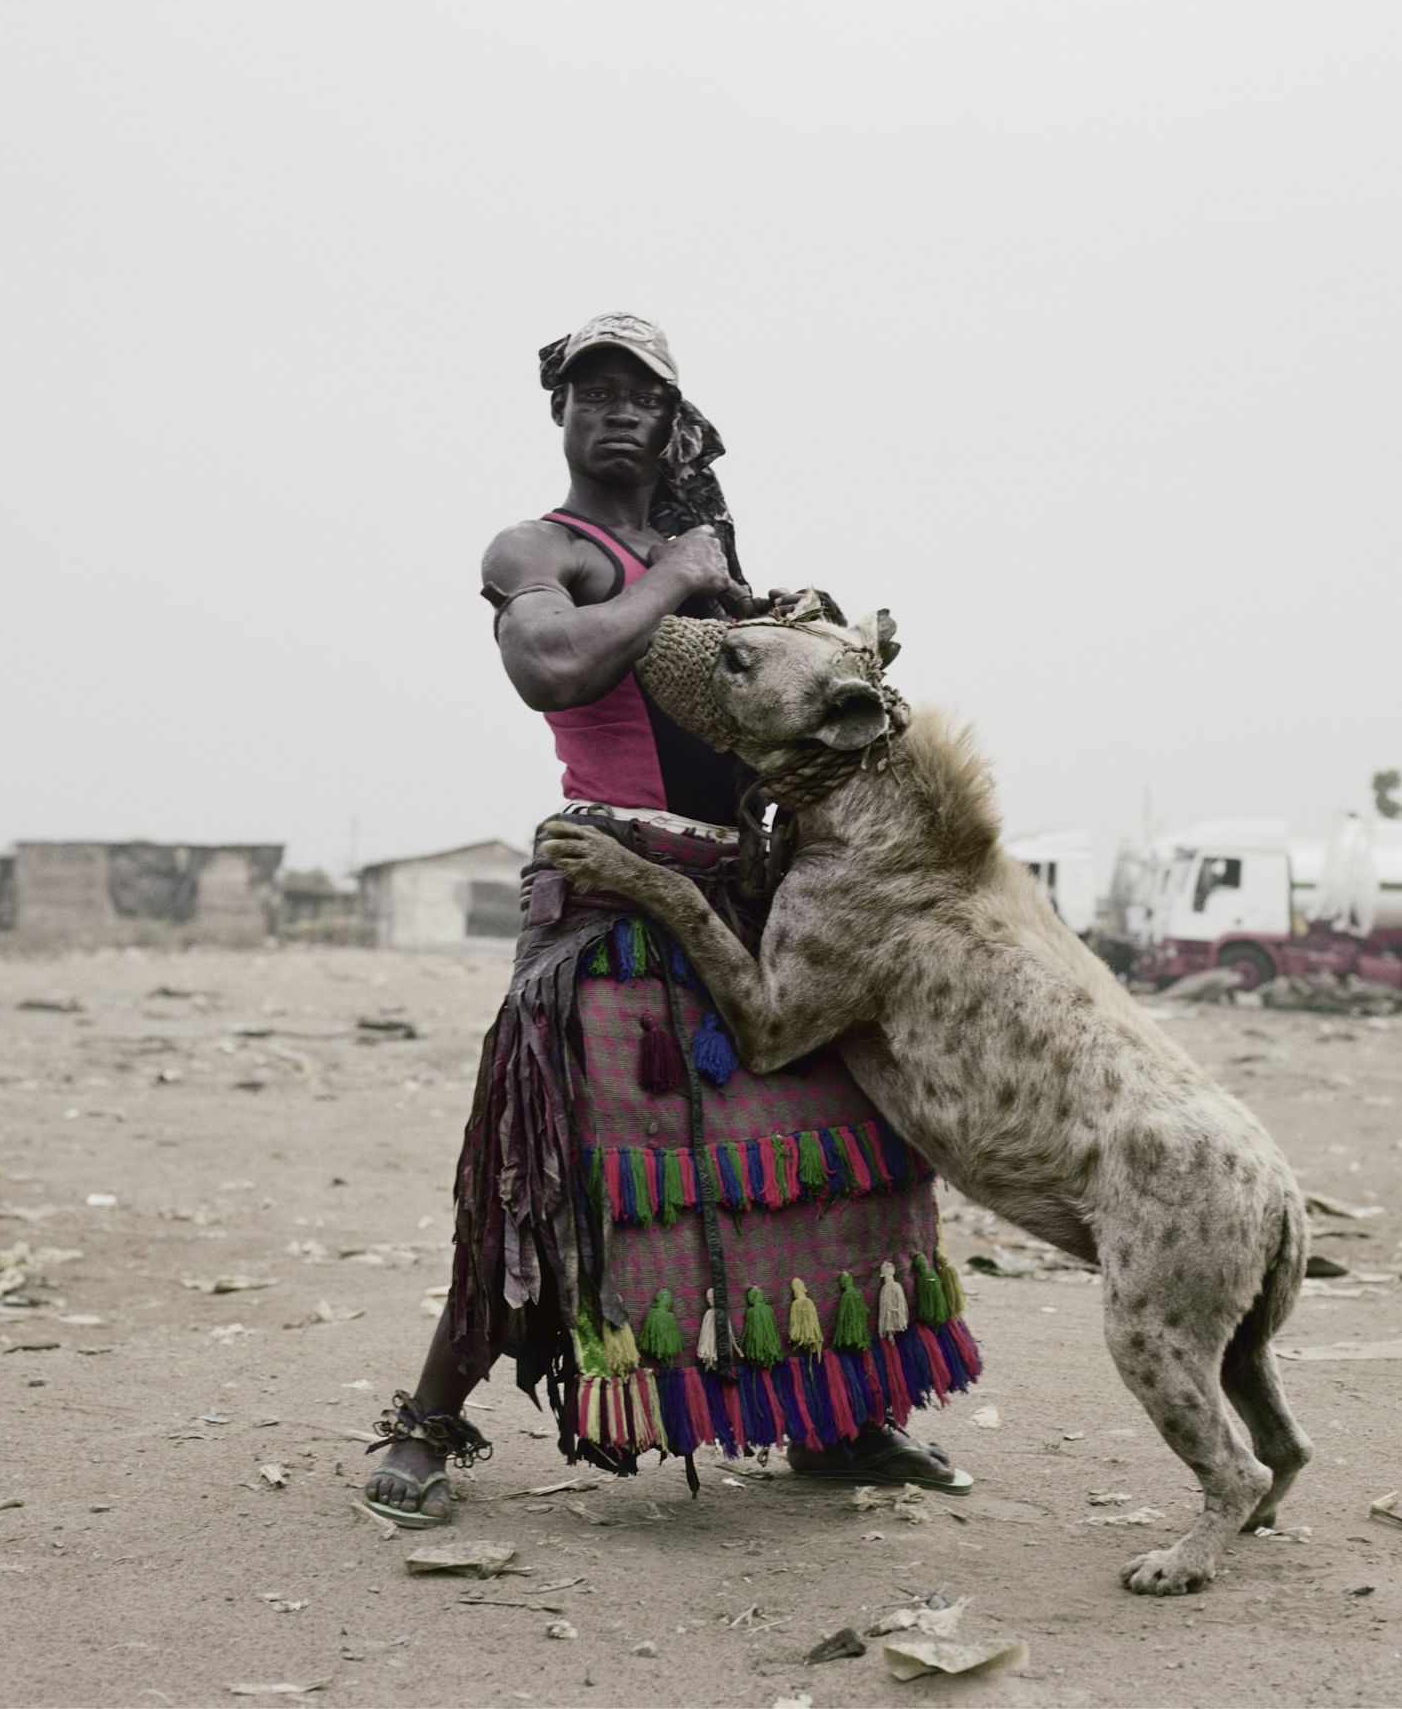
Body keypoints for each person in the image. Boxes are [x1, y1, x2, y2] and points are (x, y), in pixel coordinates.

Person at [362, 313, 979, 1526]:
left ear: (675, 420)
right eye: (594, 392)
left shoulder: (708, 558)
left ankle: (838, 1421)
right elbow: (549, 666)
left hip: (750, 903)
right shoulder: (544, 548)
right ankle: (427, 1425)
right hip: (611, 907)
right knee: (550, 1182)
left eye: (641, 395)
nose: (618, 411)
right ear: (561, 413)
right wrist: (681, 581)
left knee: (841, 1149)